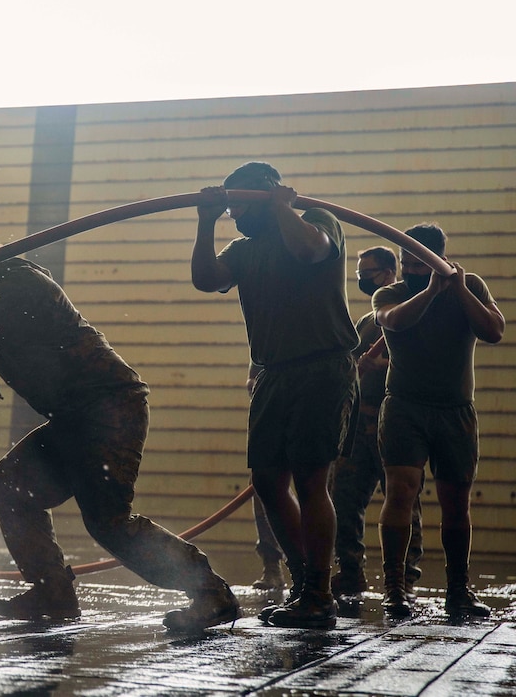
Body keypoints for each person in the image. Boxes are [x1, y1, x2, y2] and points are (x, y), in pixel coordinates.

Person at [0, 238, 240, 632]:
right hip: (76, 418)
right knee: (10, 485)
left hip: (107, 410)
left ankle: (210, 592)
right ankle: (52, 593)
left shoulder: (21, 286)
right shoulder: (2, 288)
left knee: (108, 521)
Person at [190, 161, 358, 629]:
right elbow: (206, 278)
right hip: (272, 372)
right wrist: (205, 220)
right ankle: (306, 582)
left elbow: (308, 253)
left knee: (309, 478)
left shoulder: (317, 224)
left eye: (241, 201)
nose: (234, 212)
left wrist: (284, 206)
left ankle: (319, 593)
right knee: (267, 481)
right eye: (230, 205)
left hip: (322, 366)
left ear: (267, 193)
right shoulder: (243, 250)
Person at [374, 224, 504, 618]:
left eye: (418, 261)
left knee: (456, 502)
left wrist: (458, 289)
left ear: (437, 258)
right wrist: (430, 290)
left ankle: (458, 588)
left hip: (455, 410)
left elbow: (494, 331)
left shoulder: (473, 286)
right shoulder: (392, 292)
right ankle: (395, 587)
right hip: (404, 408)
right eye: (406, 261)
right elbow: (393, 321)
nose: (410, 268)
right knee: (401, 490)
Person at [329, 246, 424, 615]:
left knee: (402, 503)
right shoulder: (367, 322)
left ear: (388, 272)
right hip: (358, 425)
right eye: (358, 271)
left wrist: (381, 367)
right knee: (344, 501)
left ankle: (404, 581)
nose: (361, 278)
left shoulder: (405, 315)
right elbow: (350, 364)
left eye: (368, 271)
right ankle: (350, 573)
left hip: (394, 422)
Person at [246, 364, 286, 591]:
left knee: (314, 488)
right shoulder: (266, 330)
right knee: (264, 485)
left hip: (311, 400)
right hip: (269, 404)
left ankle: (313, 575)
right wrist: (253, 384)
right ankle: (272, 566)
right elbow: (252, 373)